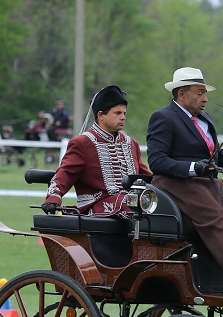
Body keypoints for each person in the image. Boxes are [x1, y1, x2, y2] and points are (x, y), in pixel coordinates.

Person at [146, 67, 223, 288]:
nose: (205, 99)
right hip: (175, 183)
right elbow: (157, 161)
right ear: (182, 94)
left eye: (204, 93)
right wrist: (194, 168)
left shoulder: (204, 120)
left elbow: (216, 156)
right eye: (199, 93)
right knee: (216, 217)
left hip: (205, 181)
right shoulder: (163, 117)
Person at [40, 85, 150, 218]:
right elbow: (65, 173)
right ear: (101, 115)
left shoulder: (131, 143)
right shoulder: (83, 143)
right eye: (117, 113)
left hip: (130, 203)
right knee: (130, 204)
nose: (123, 117)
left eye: (124, 113)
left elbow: (146, 177)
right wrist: (53, 197)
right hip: (96, 206)